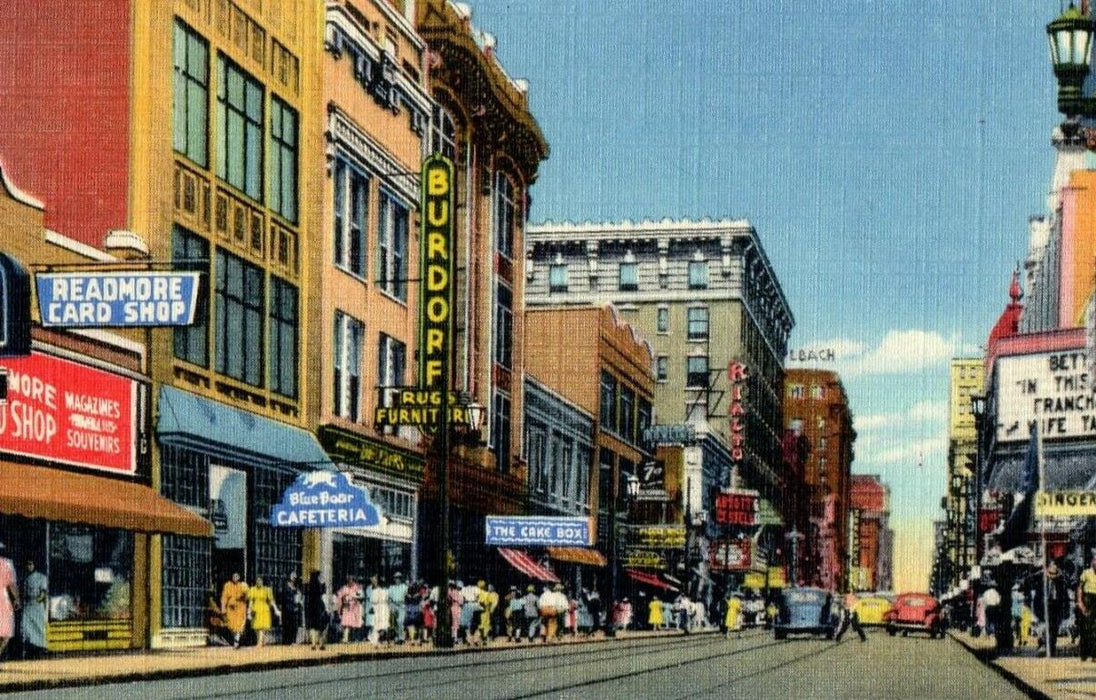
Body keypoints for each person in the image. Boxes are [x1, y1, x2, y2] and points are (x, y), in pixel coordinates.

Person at [20, 560, 47, 658]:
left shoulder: (41, 577)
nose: (29, 566)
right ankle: (27, 649)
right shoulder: (25, 578)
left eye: (30, 564)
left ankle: (41, 649)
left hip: (37, 606)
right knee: (24, 627)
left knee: (39, 627)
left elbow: (43, 593)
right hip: (27, 606)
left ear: (34, 565)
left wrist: (37, 600)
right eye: (27, 564)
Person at [246, 575, 280, 648]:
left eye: (260, 580)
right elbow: (251, 601)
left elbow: (271, 601)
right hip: (256, 610)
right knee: (256, 628)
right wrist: (249, 611)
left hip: (264, 610)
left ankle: (260, 643)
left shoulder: (267, 590)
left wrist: (276, 609)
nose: (258, 582)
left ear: (263, 581)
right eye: (257, 580)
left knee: (262, 627)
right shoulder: (253, 589)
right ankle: (261, 642)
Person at [0, 542, 20, 666]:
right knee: (6, 634)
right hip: (3, 600)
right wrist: (16, 599)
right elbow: (11, 584)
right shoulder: (8, 563)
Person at [220, 572, 249, 648]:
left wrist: (245, 593)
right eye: (234, 576)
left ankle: (236, 642)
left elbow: (247, 597)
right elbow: (224, 597)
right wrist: (223, 608)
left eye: (237, 576)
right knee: (231, 625)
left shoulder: (242, 585)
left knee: (239, 625)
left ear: (239, 577)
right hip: (230, 609)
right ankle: (235, 639)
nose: (235, 578)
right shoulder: (227, 585)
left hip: (240, 608)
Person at [335, 574, 364, 643]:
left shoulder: (357, 587)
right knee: (347, 624)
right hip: (346, 608)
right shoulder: (344, 588)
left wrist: (354, 597)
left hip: (354, 607)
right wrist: (343, 600)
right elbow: (339, 595)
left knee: (355, 624)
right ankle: (345, 638)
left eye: (351, 580)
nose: (350, 581)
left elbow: (361, 596)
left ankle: (354, 638)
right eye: (348, 580)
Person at [304, 570, 328, 651]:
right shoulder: (321, 586)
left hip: (310, 607)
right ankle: (321, 644)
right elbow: (324, 597)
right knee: (321, 626)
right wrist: (327, 608)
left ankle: (313, 644)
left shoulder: (307, 585)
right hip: (319, 606)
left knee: (312, 626)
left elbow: (304, 597)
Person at [1078, 556, 1096, 661]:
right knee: (1086, 628)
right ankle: (1084, 653)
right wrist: (1080, 602)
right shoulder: (1086, 573)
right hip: (1087, 600)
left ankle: (1094, 654)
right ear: (1092, 561)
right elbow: (1079, 588)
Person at [278, 572, 304, 645]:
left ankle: (293, 640)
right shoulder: (285, 588)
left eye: (295, 578)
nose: (294, 580)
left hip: (295, 609)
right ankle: (287, 641)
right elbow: (282, 598)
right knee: (287, 626)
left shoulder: (297, 588)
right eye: (293, 578)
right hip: (287, 609)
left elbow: (299, 597)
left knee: (294, 626)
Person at [389, 572, 409, 644]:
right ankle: (397, 637)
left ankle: (401, 637)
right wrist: (391, 605)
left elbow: (408, 596)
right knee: (394, 623)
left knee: (400, 621)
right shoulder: (391, 587)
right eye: (396, 578)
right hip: (394, 605)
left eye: (399, 578)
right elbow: (389, 598)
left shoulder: (404, 586)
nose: (397, 579)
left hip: (401, 605)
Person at [369, 576, 391, 645]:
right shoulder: (376, 591)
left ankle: (383, 640)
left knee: (383, 625)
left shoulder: (386, 590)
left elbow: (388, 599)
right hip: (379, 609)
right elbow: (373, 601)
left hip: (384, 608)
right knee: (378, 625)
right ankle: (376, 640)